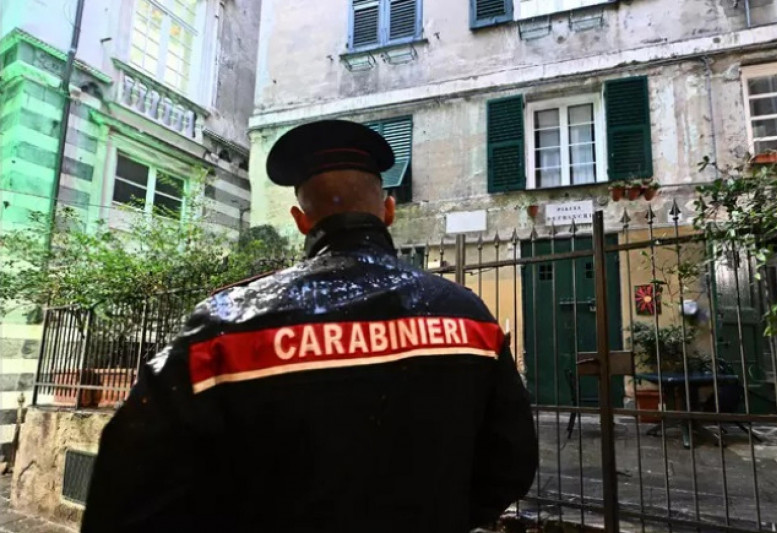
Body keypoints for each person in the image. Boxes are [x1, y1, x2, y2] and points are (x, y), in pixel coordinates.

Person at [81, 120, 538, 533]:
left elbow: (128, 492)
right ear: (389, 210)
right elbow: (512, 463)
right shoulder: (469, 319)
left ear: (300, 222)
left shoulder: (221, 331)